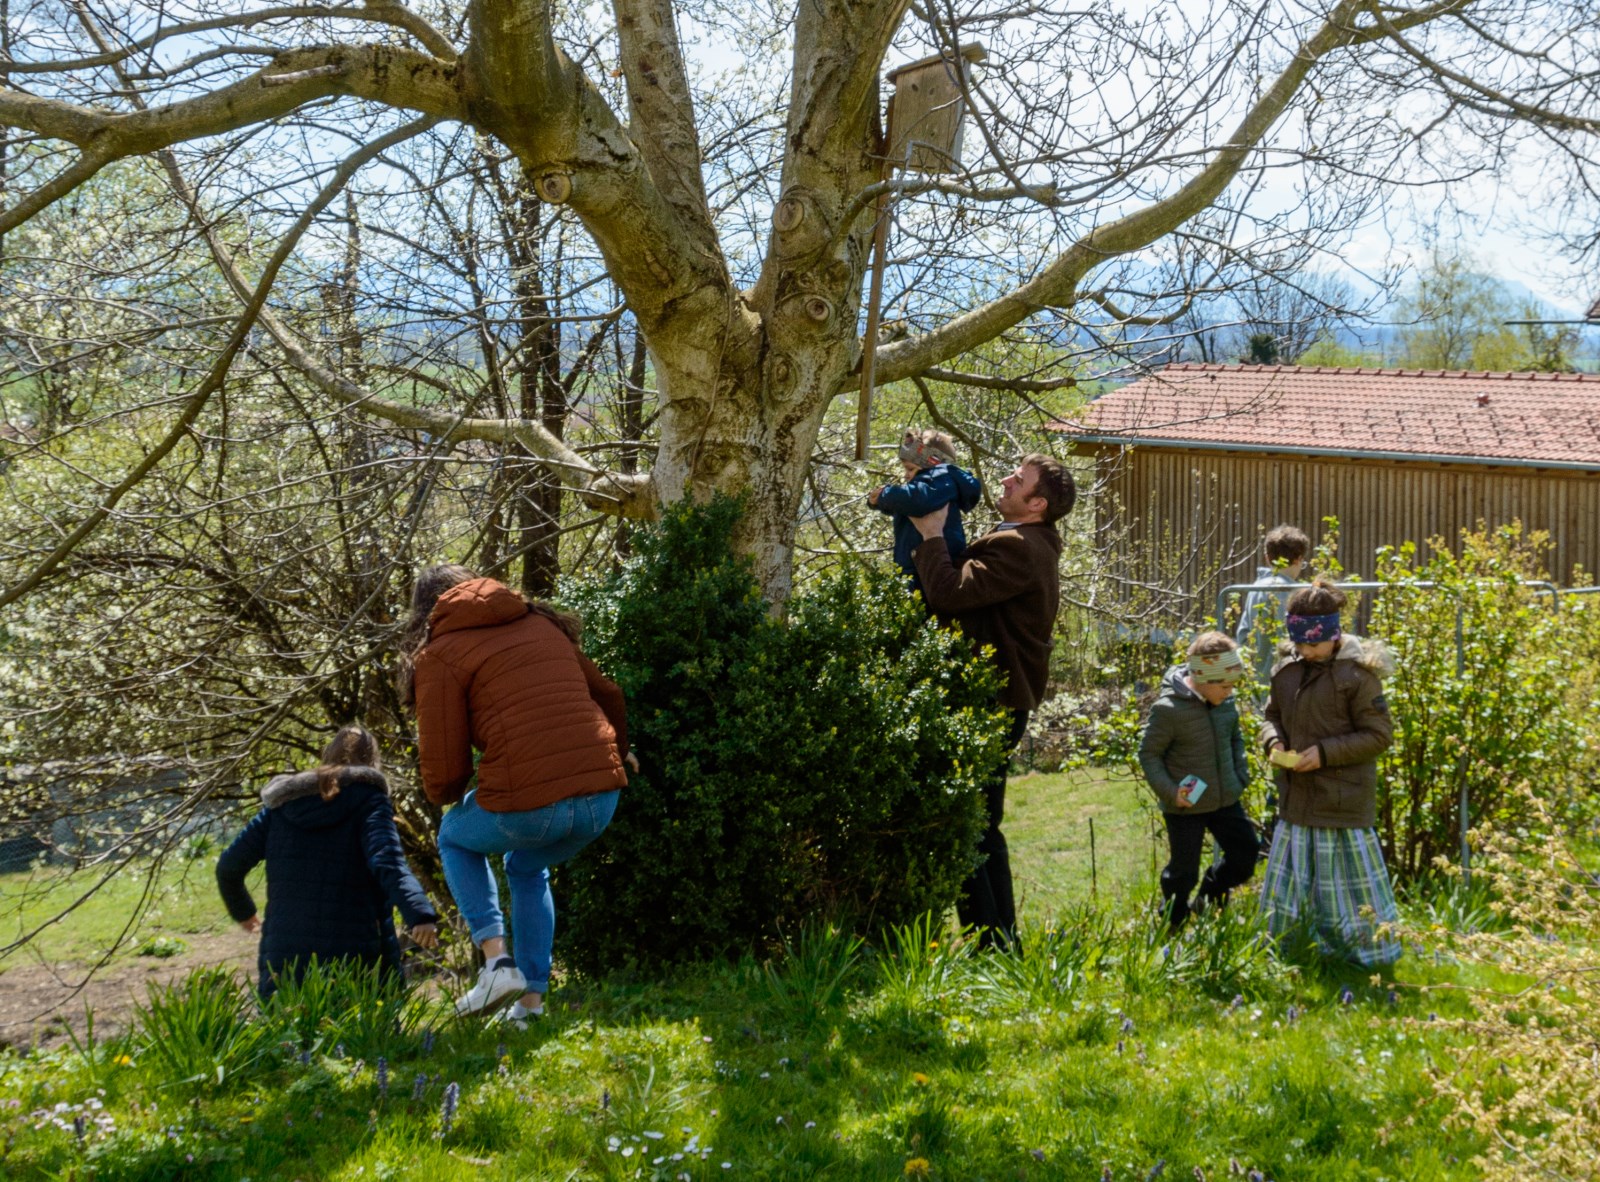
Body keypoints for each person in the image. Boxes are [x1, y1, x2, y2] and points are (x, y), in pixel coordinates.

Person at [399, 565, 635, 1026]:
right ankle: (530, 1005)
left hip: (533, 808)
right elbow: (608, 693)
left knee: (453, 836)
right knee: (527, 865)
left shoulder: (440, 653)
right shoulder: (541, 623)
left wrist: (447, 793)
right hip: (602, 799)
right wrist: (621, 754)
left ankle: (497, 964)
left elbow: (445, 771)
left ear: (426, 611)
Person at [908, 453, 1075, 950]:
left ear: (1037, 504)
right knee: (981, 827)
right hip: (998, 704)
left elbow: (950, 593)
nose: (1005, 478)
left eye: (1018, 480)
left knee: (968, 828)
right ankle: (1000, 944)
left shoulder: (1021, 546)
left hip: (989, 704)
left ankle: (991, 945)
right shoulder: (1025, 542)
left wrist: (932, 533)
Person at [215, 725, 440, 1000]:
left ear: (327, 756)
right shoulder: (370, 800)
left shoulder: (282, 806)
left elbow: (228, 866)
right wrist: (418, 912)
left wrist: (243, 912)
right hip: (355, 950)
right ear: (373, 761)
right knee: (365, 1037)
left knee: (290, 1034)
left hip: (286, 952)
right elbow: (387, 859)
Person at [1258, 578, 1401, 967]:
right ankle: (1288, 948)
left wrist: (1323, 753)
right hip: (1296, 802)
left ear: (1334, 636)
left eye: (1313, 644)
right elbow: (1271, 716)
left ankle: (1362, 953)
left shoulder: (1358, 677)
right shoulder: (1287, 670)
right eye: (1299, 643)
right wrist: (1274, 742)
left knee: (1346, 888)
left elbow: (1378, 734)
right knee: (1293, 885)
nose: (1305, 650)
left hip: (1341, 806)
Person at [1137, 631, 1258, 930]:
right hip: (1185, 805)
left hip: (1225, 798)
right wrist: (1170, 792)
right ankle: (1172, 924)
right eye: (1225, 685)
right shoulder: (1168, 710)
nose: (1230, 692)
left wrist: (1240, 774)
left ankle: (1210, 898)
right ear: (1204, 679)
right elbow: (1149, 754)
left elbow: (1235, 739)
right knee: (1183, 872)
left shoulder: (1225, 705)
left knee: (1245, 854)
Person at [867, 428, 983, 601]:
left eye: (910, 469)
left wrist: (886, 494)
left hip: (930, 566)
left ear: (931, 463)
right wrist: (877, 502)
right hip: (916, 565)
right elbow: (905, 505)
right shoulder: (931, 483)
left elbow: (917, 501)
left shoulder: (942, 479)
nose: (906, 476)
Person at [1234, 524, 1311, 681]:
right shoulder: (1293, 593)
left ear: (1267, 557)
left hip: (1256, 676)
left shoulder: (1256, 588)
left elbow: (1243, 634)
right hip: (1287, 677)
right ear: (1299, 559)